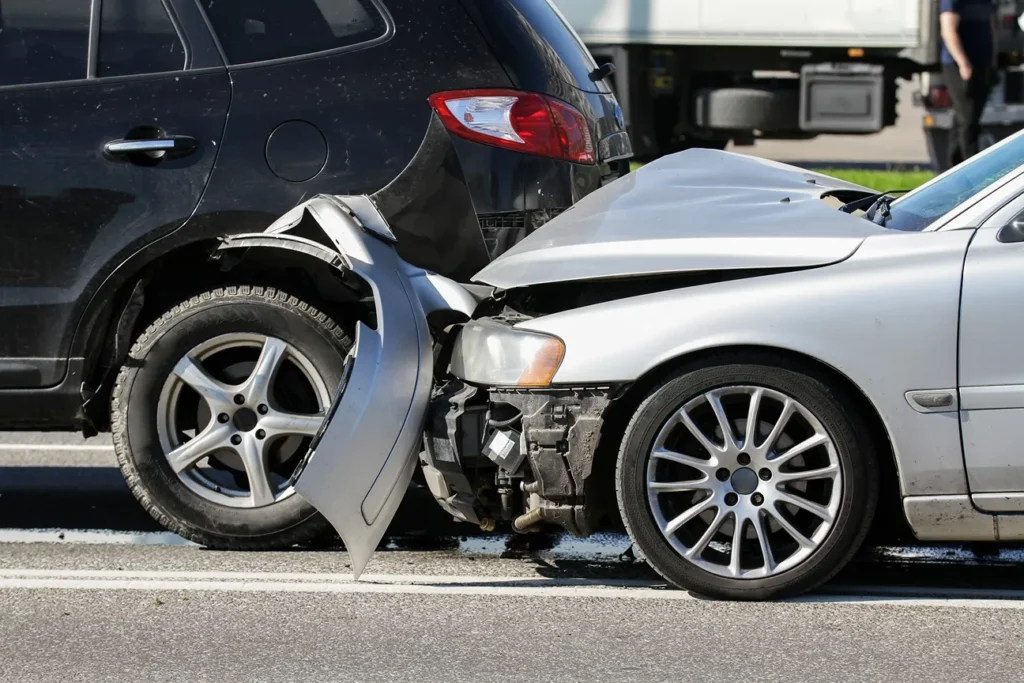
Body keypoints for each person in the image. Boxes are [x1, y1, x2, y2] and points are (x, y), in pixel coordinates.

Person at [939, 0, 998, 168]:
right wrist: (963, 63)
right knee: (968, 119)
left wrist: (993, 61)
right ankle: (970, 167)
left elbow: (992, 28)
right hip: (959, 66)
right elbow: (948, 30)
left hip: (982, 64)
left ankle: (953, 168)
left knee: (964, 119)